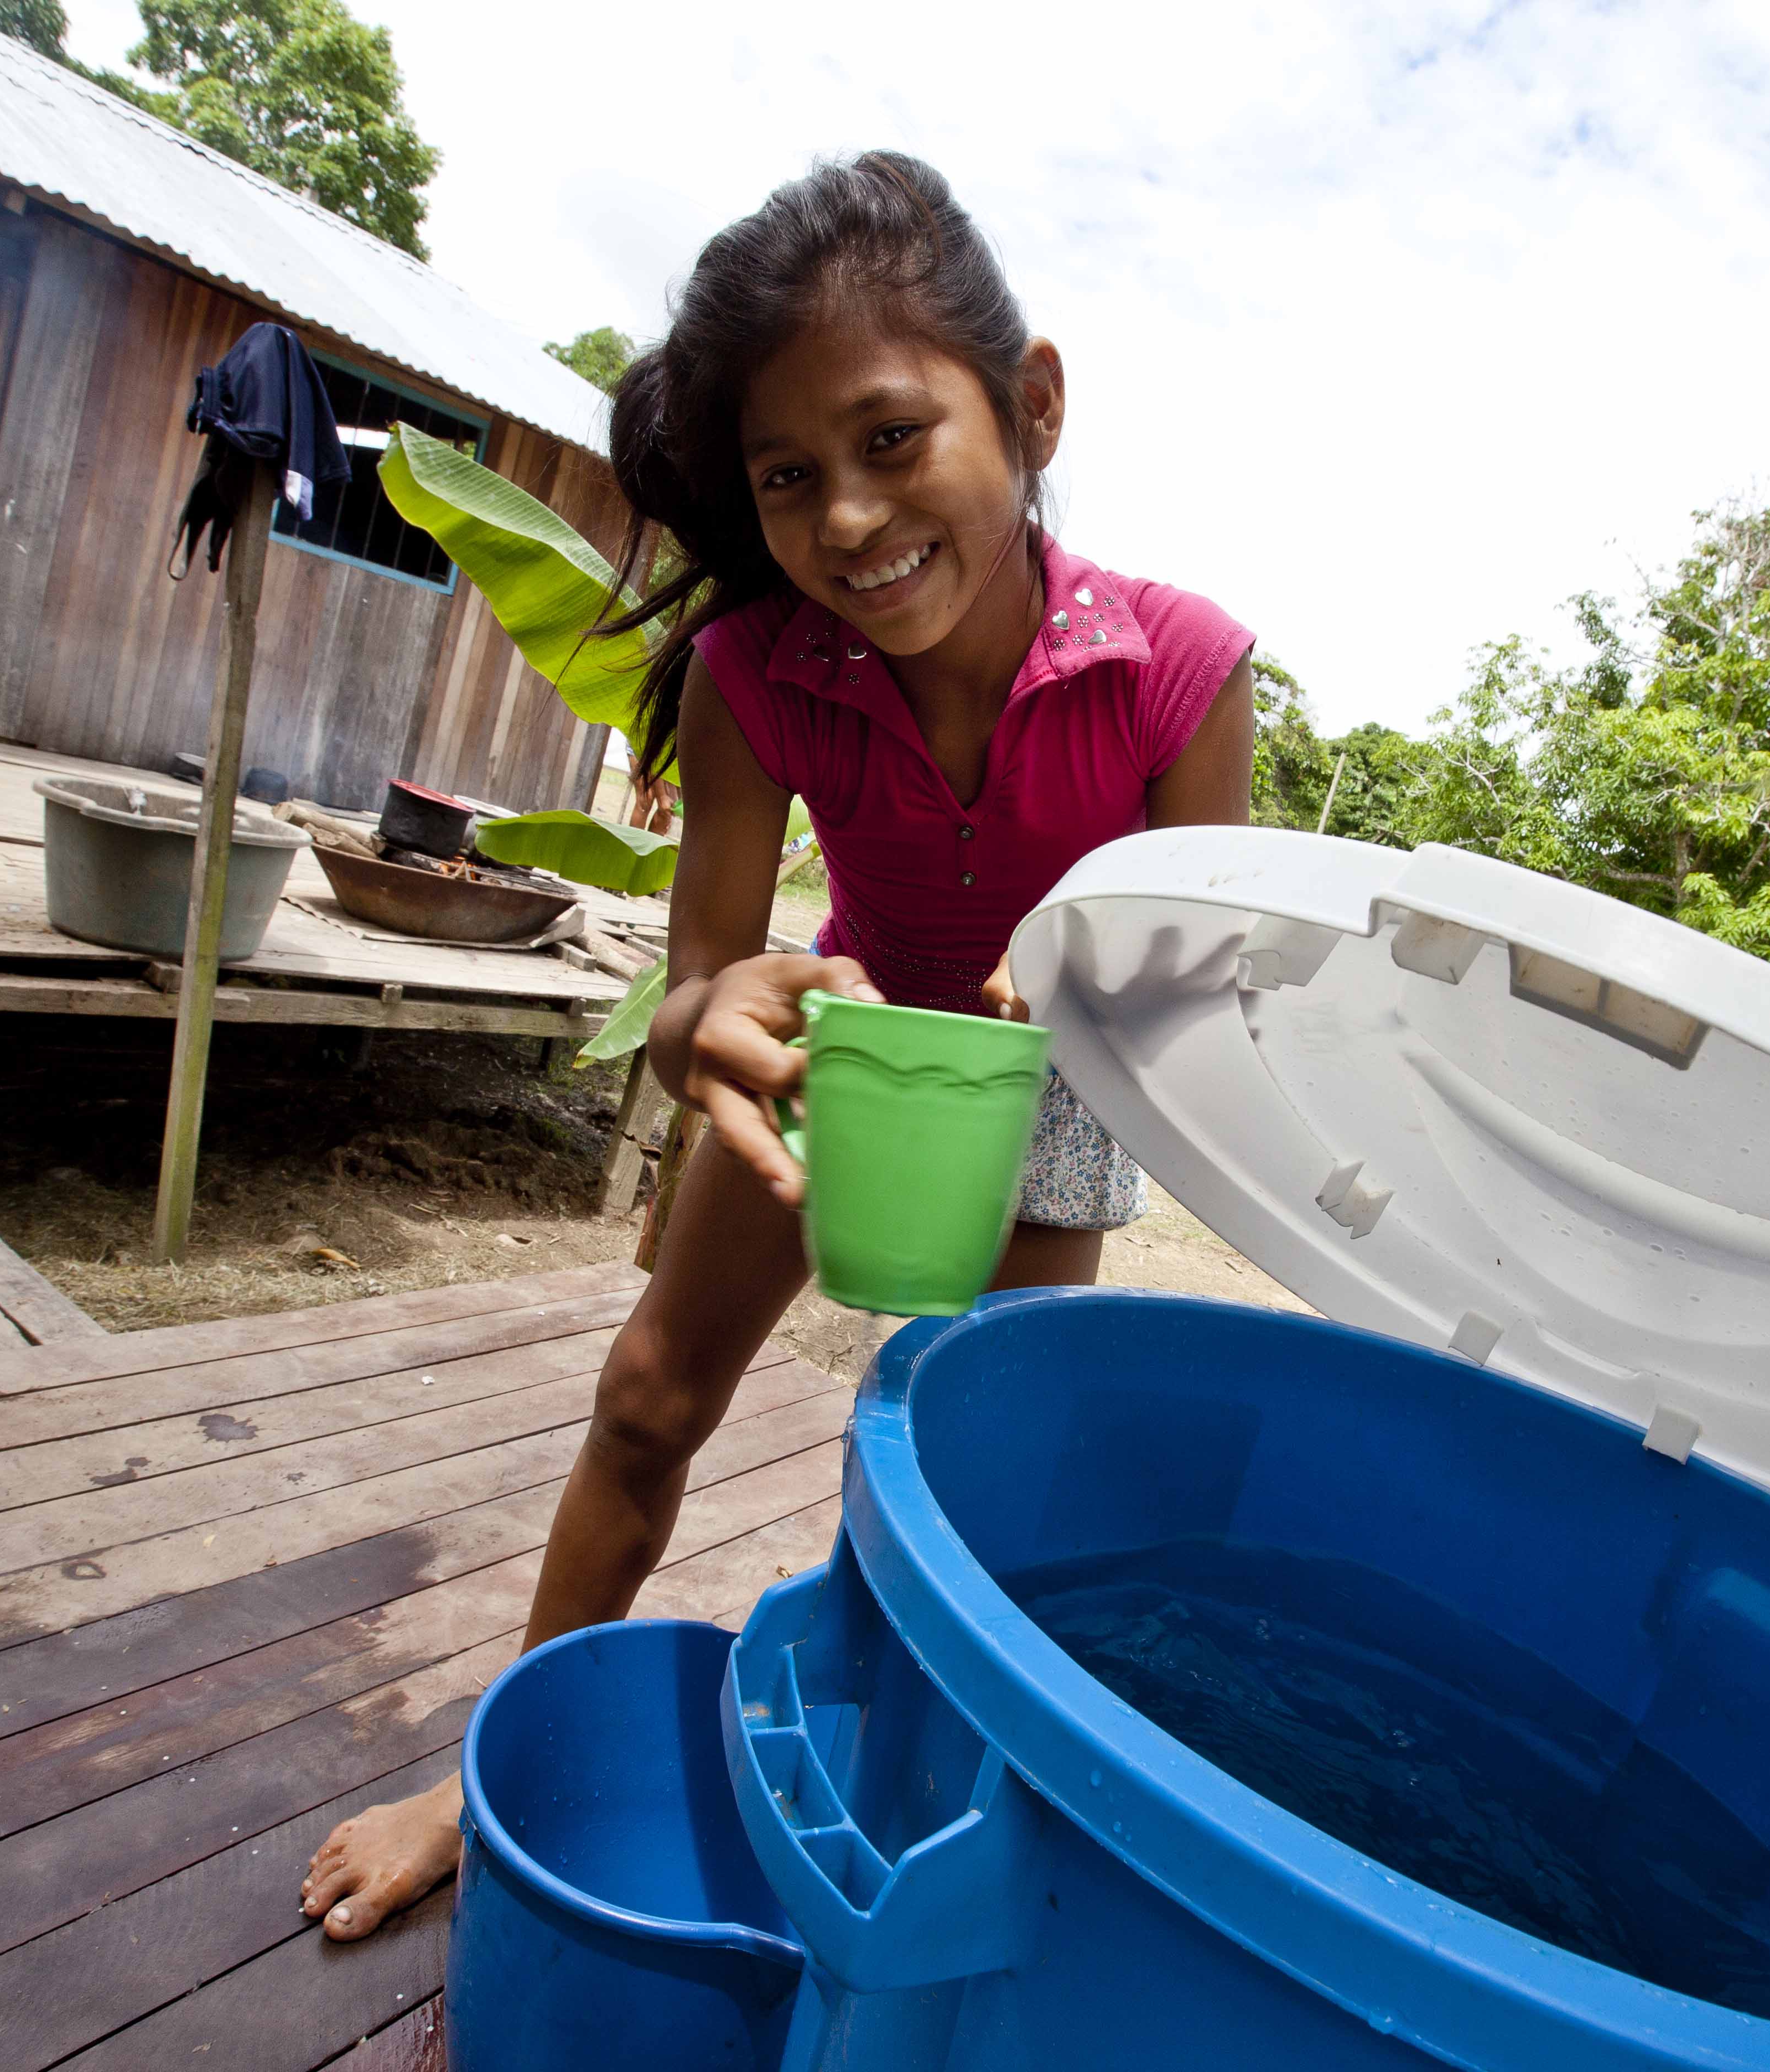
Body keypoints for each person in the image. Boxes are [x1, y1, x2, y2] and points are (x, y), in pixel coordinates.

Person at [298, 152, 1258, 1940]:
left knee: (988, 1491)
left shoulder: (1182, 672)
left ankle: (923, 1838)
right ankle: (480, 1771)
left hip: (1060, 1095)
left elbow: (1198, 998)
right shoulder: (755, 666)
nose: (843, 520)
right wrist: (701, 1031)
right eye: (786, 477)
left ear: (1027, 406)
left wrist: (1098, 1021)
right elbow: (702, 978)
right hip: (836, 1049)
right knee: (650, 1393)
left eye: (892, 440)